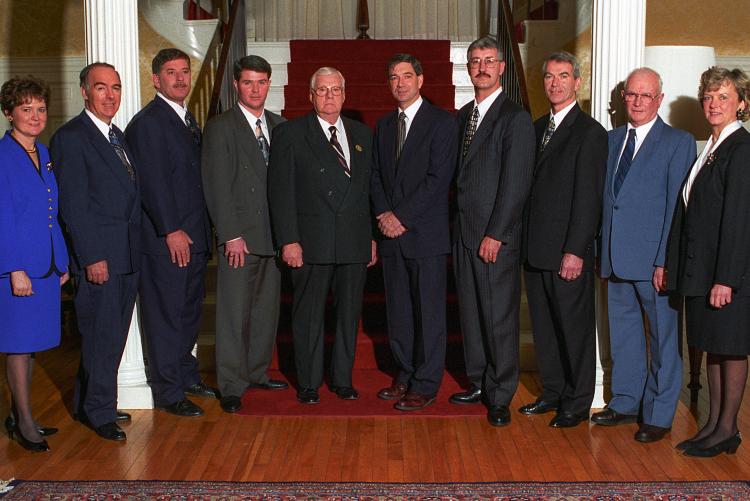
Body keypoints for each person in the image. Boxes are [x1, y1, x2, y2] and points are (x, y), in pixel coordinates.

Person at [593, 67, 695, 443]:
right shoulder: (610, 139)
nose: (637, 102)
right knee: (624, 335)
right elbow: (607, 203)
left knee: (664, 341)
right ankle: (625, 402)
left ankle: (658, 414)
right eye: (632, 95)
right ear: (624, 98)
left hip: (654, 262)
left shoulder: (678, 142)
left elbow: (675, 208)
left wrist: (664, 260)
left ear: (659, 100)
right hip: (616, 258)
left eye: (646, 96)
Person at [268, 67, 377, 405]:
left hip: (353, 240)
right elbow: (280, 191)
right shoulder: (291, 134)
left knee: (348, 317)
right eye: (322, 90)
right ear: (310, 95)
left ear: (345, 95)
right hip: (310, 242)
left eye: (335, 90)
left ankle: (342, 379)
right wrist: (289, 240)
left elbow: (369, 191)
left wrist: (371, 236)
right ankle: (310, 382)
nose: (329, 96)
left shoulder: (362, 134)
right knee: (309, 316)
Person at [51, 62, 141, 441]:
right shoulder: (72, 136)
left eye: (116, 87)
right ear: (84, 91)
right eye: (101, 88)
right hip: (100, 258)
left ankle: (91, 401)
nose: (110, 95)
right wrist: (91, 257)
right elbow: (73, 205)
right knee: (102, 336)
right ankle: (99, 412)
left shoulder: (115, 135)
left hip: (126, 255)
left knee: (113, 336)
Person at [449, 37, 535, 426]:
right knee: (471, 313)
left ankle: (500, 394)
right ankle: (479, 380)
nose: (481, 67)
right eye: (474, 61)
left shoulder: (513, 117)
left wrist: (496, 233)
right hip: (463, 232)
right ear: (468, 69)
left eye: (488, 61)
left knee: (499, 316)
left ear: (502, 67)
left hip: (494, 238)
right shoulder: (463, 115)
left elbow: (516, 183)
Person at [666, 67, 750, 457]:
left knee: (730, 348)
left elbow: (739, 220)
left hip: (726, 275)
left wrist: (726, 280)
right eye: (709, 97)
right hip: (703, 271)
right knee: (713, 346)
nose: (714, 104)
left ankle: (728, 429)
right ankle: (715, 425)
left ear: (742, 104)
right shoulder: (712, 148)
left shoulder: (742, 149)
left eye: (724, 97)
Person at [126, 48, 214, 417]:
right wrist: (171, 229)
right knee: (166, 315)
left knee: (188, 310)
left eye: (184, 71)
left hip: (194, 236)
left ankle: (184, 373)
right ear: (155, 79)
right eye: (171, 72)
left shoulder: (184, 118)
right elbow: (154, 183)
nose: (180, 78)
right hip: (170, 240)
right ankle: (167, 390)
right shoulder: (149, 123)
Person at [520, 52, 607, 428]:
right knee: (545, 328)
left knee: (574, 329)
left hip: (566, 252)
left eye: (564, 76)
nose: (555, 83)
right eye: (550, 76)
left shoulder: (590, 133)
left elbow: (588, 198)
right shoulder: (536, 127)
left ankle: (576, 400)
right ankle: (552, 391)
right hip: (535, 248)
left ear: (577, 82)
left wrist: (576, 250)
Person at [371, 53, 457, 411]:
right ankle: (405, 374)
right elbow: (374, 175)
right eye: (393, 77)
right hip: (392, 238)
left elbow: (438, 181)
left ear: (420, 80)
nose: (400, 83)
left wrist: (400, 217)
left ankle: (425, 382)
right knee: (400, 314)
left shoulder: (442, 123)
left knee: (429, 314)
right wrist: (382, 215)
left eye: (407, 76)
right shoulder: (384, 126)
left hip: (426, 235)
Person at [202, 55, 287, 414]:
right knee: (234, 314)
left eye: (262, 82)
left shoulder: (281, 126)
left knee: (265, 311)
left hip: (274, 236)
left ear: (270, 84)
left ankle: (256, 372)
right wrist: (230, 234)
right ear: (236, 85)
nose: (255, 89)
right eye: (248, 82)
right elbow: (216, 184)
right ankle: (232, 384)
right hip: (241, 238)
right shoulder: (222, 126)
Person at [0, 77, 69, 451]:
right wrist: (14, 268)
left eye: (40, 109)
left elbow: (50, 213)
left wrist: (61, 261)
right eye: (26, 109)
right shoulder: (2, 156)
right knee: (18, 345)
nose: (35, 116)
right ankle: (24, 422)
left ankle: (19, 414)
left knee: (31, 346)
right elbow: (2, 216)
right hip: (18, 270)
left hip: (45, 265)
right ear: (9, 113)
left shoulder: (43, 153)